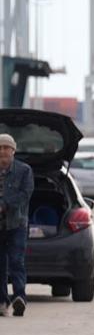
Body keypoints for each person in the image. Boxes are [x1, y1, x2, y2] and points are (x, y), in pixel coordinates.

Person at [0, 133, 34, 317]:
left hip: (16, 224)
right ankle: (2, 302)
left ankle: (19, 298)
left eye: (6, 148)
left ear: (13, 150)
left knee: (16, 261)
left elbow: (25, 194)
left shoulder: (24, 170)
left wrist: (4, 205)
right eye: (0, 148)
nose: (3, 151)